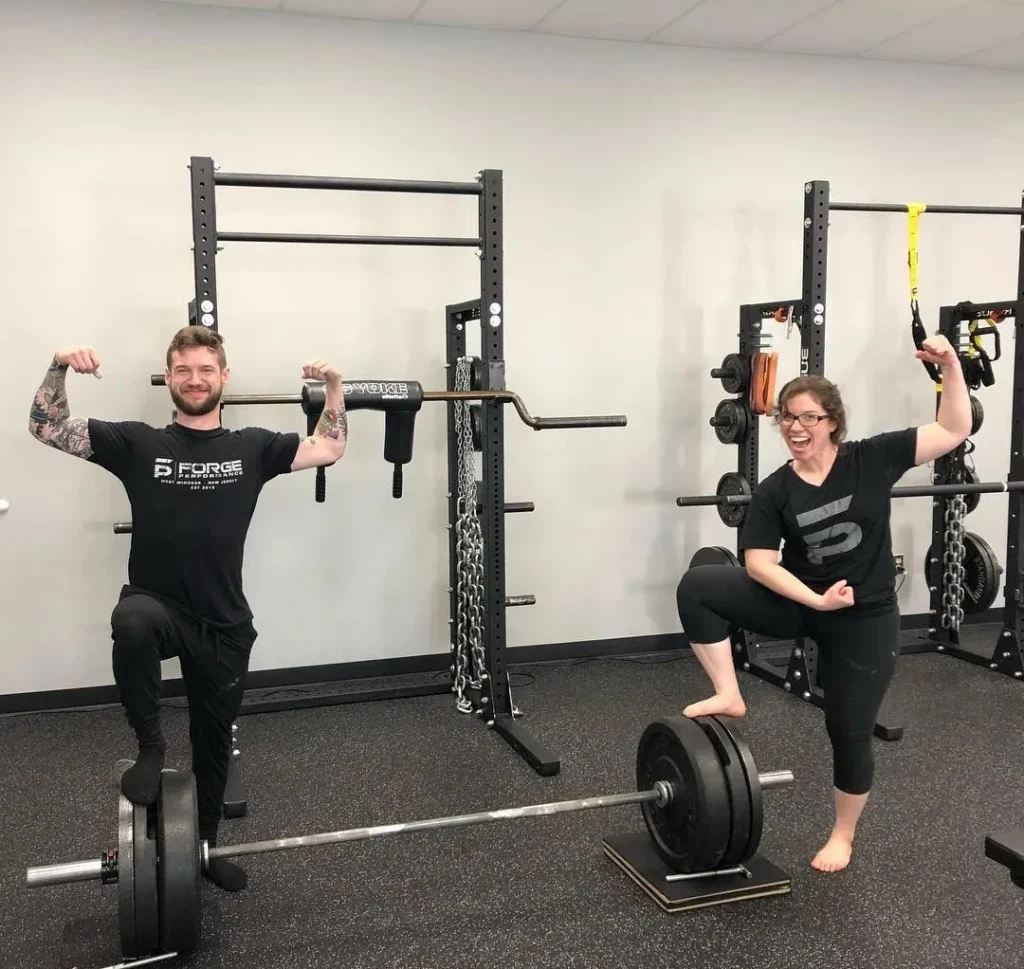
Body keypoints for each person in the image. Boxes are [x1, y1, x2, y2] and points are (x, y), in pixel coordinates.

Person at [27, 325, 347, 892]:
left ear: (224, 376)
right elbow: (45, 426)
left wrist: (334, 386)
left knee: (214, 743)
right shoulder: (139, 444)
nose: (194, 380)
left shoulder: (253, 446)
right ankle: (150, 746)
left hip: (224, 624)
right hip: (160, 606)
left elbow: (329, 447)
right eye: (183, 370)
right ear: (169, 377)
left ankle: (202, 850)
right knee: (132, 620)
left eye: (205, 370)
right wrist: (59, 364)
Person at [675, 334, 971, 874]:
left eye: (808, 417)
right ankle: (728, 692)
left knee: (849, 729)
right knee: (698, 587)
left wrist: (950, 365)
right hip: (805, 601)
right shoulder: (774, 490)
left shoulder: (872, 459)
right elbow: (761, 563)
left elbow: (953, 429)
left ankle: (842, 835)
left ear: (832, 422)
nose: (795, 428)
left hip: (865, 617)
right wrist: (814, 598)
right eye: (787, 418)